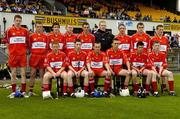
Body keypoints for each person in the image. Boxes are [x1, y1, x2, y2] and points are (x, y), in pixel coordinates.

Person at [4, 15, 29, 98]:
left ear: (21, 21)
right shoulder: (9, 30)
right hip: (13, 55)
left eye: (19, 21)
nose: (18, 22)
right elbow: (7, 42)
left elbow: (27, 42)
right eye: (17, 20)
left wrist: (24, 51)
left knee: (23, 74)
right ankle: (14, 91)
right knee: (13, 74)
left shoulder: (25, 31)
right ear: (14, 21)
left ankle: (23, 91)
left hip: (22, 55)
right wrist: (10, 52)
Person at [28, 21, 48, 96]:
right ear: (35, 27)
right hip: (34, 56)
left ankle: (43, 90)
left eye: (40, 27)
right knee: (32, 74)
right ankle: (30, 90)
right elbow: (29, 46)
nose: (39, 28)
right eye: (37, 26)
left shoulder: (46, 36)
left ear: (42, 27)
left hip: (42, 57)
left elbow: (46, 47)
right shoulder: (31, 36)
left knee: (42, 74)